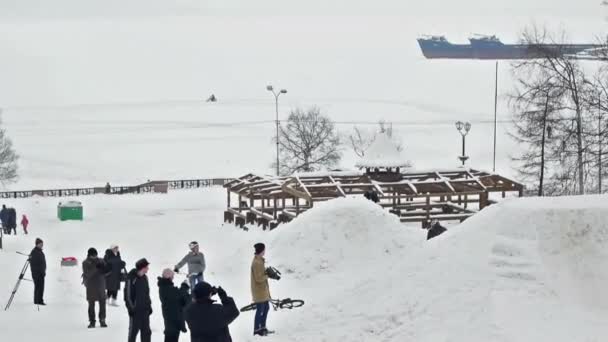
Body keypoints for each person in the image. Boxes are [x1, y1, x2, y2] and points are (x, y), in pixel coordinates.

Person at [158, 269, 190, 342]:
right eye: (172, 276)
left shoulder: (165, 286)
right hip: (172, 321)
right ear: (168, 277)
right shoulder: (166, 288)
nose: (173, 278)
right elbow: (179, 294)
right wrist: (184, 286)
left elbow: (181, 298)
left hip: (173, 320)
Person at [125, 258, 153, 342]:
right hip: (135, 311)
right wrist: (131, 309)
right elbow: (127, 295)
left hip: (145, 310)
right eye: (146, 266)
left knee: (146, 332)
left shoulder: (145, 278)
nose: (148, 268)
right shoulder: (131, 278)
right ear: (142, 267)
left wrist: (149, 306)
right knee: (133, 333)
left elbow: (147, 294)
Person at [82, 248, 108, 328]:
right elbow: (88, 274)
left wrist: (106, 267)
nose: (95, 257)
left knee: (103, 304)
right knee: (91, 305)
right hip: (91, 286)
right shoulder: (86, 262)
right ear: (89, 255)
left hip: (101, 285)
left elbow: (106, 271)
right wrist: (96, 267)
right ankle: (92, 321)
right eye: (94, 256)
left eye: (96, 255)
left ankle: (102, 320)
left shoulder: (100, 260)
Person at [251, 243, 272, 336]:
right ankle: (256, 330)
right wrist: (268, 275)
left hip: (263, 290)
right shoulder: (256, 263)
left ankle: (262, 327)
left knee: (266, 308)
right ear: (261, 250)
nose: (265, 251)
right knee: (260, 310)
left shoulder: (259, 261)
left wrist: (266, 273)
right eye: (264, 249)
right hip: (259, 291)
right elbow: (258, 278)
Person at [30, 238, 46, 305]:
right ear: (37, 244)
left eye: (42, 244)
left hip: (41, 273)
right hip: (37, 274)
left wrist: (43, 271)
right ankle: (38, 301)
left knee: (41, 287)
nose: (42, 245)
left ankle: (39, 300)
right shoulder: (34, 252)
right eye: (40, 244)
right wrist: (39, 272)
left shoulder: (39, 251)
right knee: (38, 287)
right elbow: (34, 264)